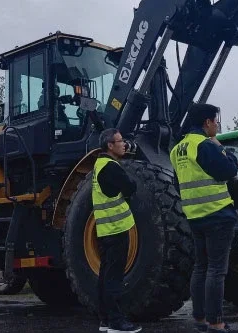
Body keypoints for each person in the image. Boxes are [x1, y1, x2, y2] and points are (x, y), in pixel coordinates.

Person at [170, 103, 238, 333]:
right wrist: (223, 148)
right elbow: (229, 169)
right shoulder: (204, 145)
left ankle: (200, 318)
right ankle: (216, 322)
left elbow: (179, 183)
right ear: (207, 122)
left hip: (194, 215)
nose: (217, 125)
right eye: (215, 121)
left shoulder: (177, 149)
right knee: (217, 270)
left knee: (201, 267)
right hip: (217, 212)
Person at [93, 128, 141, 333]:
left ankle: (105, 319)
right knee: (114, 277)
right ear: (110, 146)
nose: (124, 144)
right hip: (116, 228)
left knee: (105, 275)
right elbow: (130, 187)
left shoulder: (99, 165)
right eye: (120, 141)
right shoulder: (111, 167)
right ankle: (116, 321)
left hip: (106, 229)